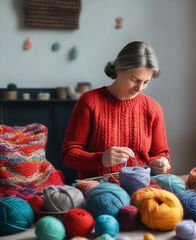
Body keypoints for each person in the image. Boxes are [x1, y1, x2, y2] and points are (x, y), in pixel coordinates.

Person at [61, 41, 171, 179]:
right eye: (135, 79)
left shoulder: (153, 108)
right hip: (99, 187)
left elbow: (161, 154)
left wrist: (162, 164)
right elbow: (68, 155)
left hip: (141, 186)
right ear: (119, 69)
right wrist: (101, 159)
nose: (140, 88)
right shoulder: (90, 101)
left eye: (146, 82)